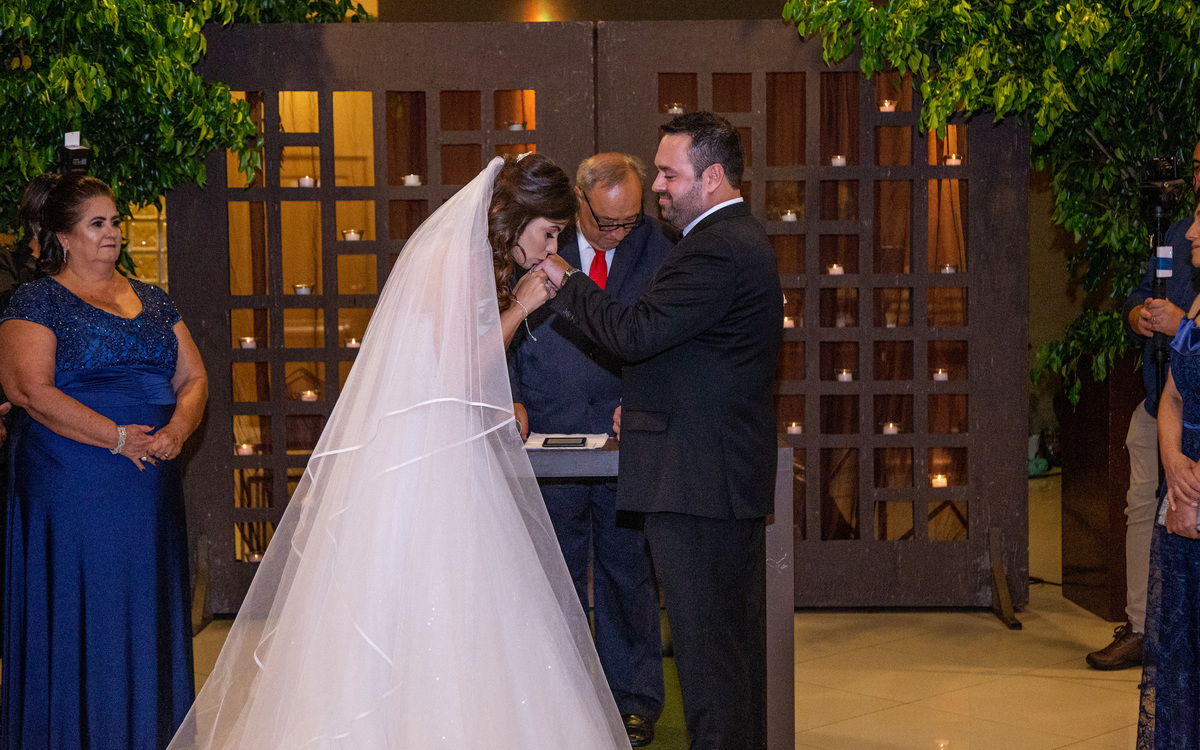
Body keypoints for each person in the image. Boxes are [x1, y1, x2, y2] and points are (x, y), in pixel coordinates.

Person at [168, 154, 632, 749]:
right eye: (547, 233)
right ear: (516, 220)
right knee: (421, 599)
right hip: (423, 463)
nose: (551, 248)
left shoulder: (471, 256)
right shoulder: (451, 258)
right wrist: (522, 306)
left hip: (446, 451)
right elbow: (458, 370)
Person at [539, 112, 783, 750]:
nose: (661, 190)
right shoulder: (729, 241)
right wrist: (644, 403)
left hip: (701, 486)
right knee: (726, 660)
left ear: (713, 176)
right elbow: (695, 356)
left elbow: (636, 333)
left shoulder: (715, 247)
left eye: (671, 175)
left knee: (711, 668)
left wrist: (561, 277)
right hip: (709, 477)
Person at [0, 174, 209, 749]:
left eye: (116, 221)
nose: (113, 232)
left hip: (147, 488)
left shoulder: (156, 299)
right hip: (71, 482)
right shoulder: (36, 301)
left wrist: (179, 429)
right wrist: (116, 437)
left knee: (142, 611)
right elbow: (28, 389)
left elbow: (193, 376)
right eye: (98, 223)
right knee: (80, 610)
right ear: (63, 236)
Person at [508, 153, 673, 747]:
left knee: (628, 572)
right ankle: (565, 697)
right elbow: (505, 330)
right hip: (548, 432)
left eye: (628, 222)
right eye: (606, 223)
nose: (618, 233)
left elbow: (667, 338)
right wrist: (516, 398)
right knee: (556, 575)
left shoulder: (658, 249)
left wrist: (649, 406)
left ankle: (632, 703)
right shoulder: (538, 240)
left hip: (626, 435)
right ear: (579, 204)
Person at [1090, 138, 1200, 670]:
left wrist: (1183, 325)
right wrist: (1141, 319)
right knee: (1142, 505)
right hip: (1161, 402)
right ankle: (1139, 626)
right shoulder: (1176, 236)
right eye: (1195, 168)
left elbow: (1190, 327)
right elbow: (1136, 298)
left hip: (1192, 412)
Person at [1137, 198, 1200, 747]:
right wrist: (1175, 463)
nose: (1192, 231)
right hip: (1187, 486)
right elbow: (1175, 392)